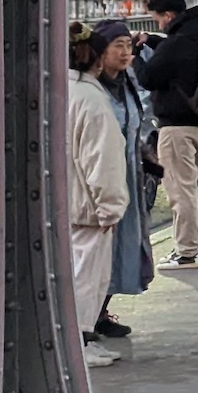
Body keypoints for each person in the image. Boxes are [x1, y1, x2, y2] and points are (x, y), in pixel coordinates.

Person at [135, 0, 198, 270]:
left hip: (177, 128)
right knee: (187, 188)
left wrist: (136, 53)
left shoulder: (176, 44)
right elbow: (177, 56)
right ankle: (187, 247)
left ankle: (185, 252)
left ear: (168, 16)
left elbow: (148, 77)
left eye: (157, 20)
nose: (158, 25)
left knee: (179, 192)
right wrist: (156, 41)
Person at [89, 19, 156, 339]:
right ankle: (87, 316)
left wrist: (146, 153)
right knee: (97, 249)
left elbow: (134, 123)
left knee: (122, 247)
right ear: (100, 51)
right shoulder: (89, 88)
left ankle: (101, 311)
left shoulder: (127, 81)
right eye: (118, 46)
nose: (126, 52)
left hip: (127, 176)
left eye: (129, 45)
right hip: (99, 179)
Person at [66, 24, 126, 368]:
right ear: (98, 60)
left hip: (67, 202)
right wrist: (111, 207)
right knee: (88, 278)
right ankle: (82, 340)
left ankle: (78, 338)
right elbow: (102, 160)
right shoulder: (92, 100)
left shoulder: (59, 93)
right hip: (90, 207)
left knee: (74, 274)